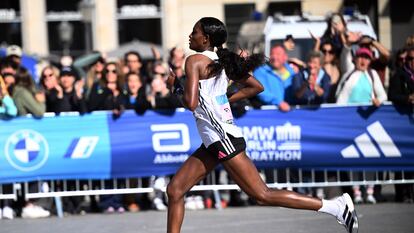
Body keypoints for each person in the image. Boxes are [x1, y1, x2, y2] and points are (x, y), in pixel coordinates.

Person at [165, 17, 358, 233]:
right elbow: (256, 87)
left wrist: (176, 87)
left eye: (195, 32)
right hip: (214, 139)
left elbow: (190, 103)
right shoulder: (221, 62)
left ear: (206, 39)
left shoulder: (194, 61)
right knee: (175, 190)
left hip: (222, 139)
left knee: (262, 195)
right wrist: (224, 101)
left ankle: (335, 206)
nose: (191, 35)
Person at [252, 44, 296, 111]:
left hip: (295, 113)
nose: (274, 57)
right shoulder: (260, 71)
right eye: (272, 54)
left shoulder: (293, 72)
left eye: (278, 54)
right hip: (270, 114)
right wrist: (279, 103)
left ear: (285, 57)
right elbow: (262, 92)